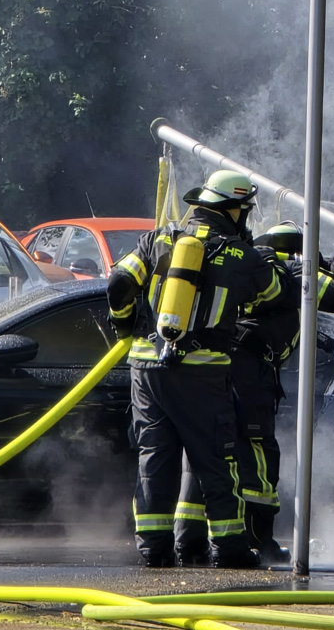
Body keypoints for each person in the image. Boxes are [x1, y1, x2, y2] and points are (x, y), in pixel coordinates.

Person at [107, 170, 285, 568]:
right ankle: (230, 548)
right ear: (233, 210)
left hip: (146, 368)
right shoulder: (242, 256)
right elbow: (273, 292)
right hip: (202, 373)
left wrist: (124, 325)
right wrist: (264, 257)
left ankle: (154, 549)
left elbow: (118, 282)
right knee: (217, 460)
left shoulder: (158, 239)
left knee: (154, 458)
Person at [172, 221, 334, 566]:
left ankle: (188, 541)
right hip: (249, 372)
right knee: (257, 453)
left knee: (205, 450)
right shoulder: (293, 271)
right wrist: (333, 264)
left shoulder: (246, 265)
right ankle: (258, 540)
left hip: (211, 366)